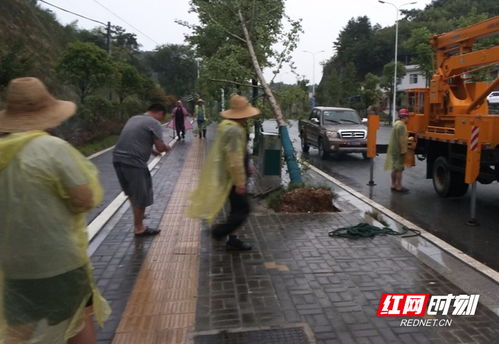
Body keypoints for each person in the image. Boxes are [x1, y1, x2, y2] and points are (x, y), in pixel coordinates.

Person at [0, 77, 110, 343]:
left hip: (14, 264)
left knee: (21, 327)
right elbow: (84, 199)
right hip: (58, 260)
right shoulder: (53, 149)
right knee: (77, 320)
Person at [187, 95, 260, 250]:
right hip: (233, 178)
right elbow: (234, 159)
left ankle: (233, 239)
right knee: (243, 209)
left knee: (236, 209)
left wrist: (247, 166)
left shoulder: (228, 126)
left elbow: (238, 153)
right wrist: (239, 182)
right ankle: (219, 232)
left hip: (230, 176)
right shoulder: (234, 130)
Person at [113, 103, 171, 236]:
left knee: (132, 194)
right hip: (134, 161)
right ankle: (139, 227)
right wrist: (166, 147)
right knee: (141, 194)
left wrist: (152, 152)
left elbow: (135, 139)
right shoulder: (154, 122)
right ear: (160, 113)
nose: (161, 120)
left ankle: (138, 220)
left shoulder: (134, 118)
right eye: (162, 117)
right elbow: (161, 147)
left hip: (117, 159)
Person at [385, 108, 410, 193]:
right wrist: (404, 151)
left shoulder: (396, 124)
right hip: (399, 150)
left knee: (394, 168)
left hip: (393, 150)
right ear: (405, 117)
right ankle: (398, 186)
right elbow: (402, 140)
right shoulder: (401, 126)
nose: (408, 119)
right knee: (399, 169)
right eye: (408, 117)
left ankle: (393, 184)